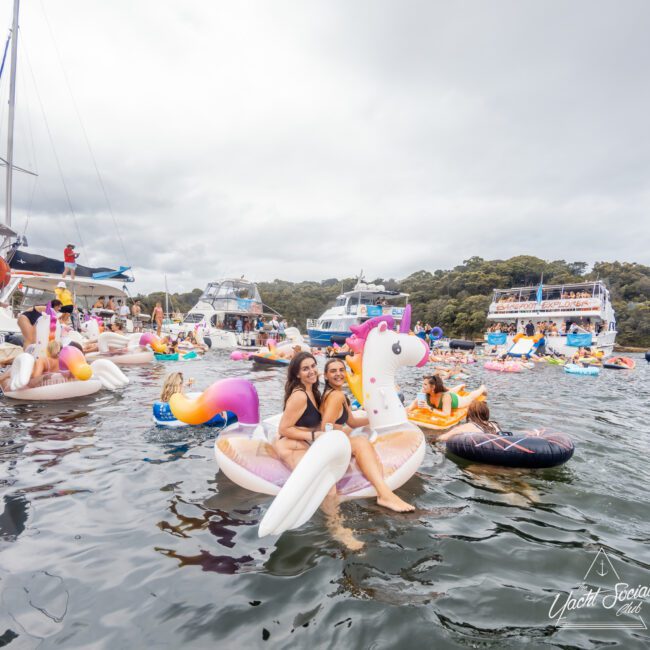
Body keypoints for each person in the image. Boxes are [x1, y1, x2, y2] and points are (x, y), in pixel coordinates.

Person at [320, 359, 414, 512]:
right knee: (361, 442)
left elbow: (352, 422)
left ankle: (384, 493)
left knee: (359, 439)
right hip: (332, 443)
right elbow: (326, 427)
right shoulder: (335, 396)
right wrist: (339, 448)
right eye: (333, 371)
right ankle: (384, 495)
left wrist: (380, 417)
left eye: (341, 370)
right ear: (325, 376)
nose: (338, 374)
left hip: (336, 439)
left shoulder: (339, 394)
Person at [407, 374, 486, 417]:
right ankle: (460, 386)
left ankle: (482, 388)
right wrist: (409, 409)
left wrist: (429, 408)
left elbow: (446, 414)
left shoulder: (446, 397)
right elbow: (415, 403)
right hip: (442, 393)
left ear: (433, 387)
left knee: (469, 398)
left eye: (425, 384)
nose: (422, 386)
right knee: (450, 391)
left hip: (456, 401)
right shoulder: (424, 391)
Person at [437, 401, 501, 443]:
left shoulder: (468, 426)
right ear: (486, 412)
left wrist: (434, 439)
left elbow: (443, 438)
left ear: (470, 414)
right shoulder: (494, 424)